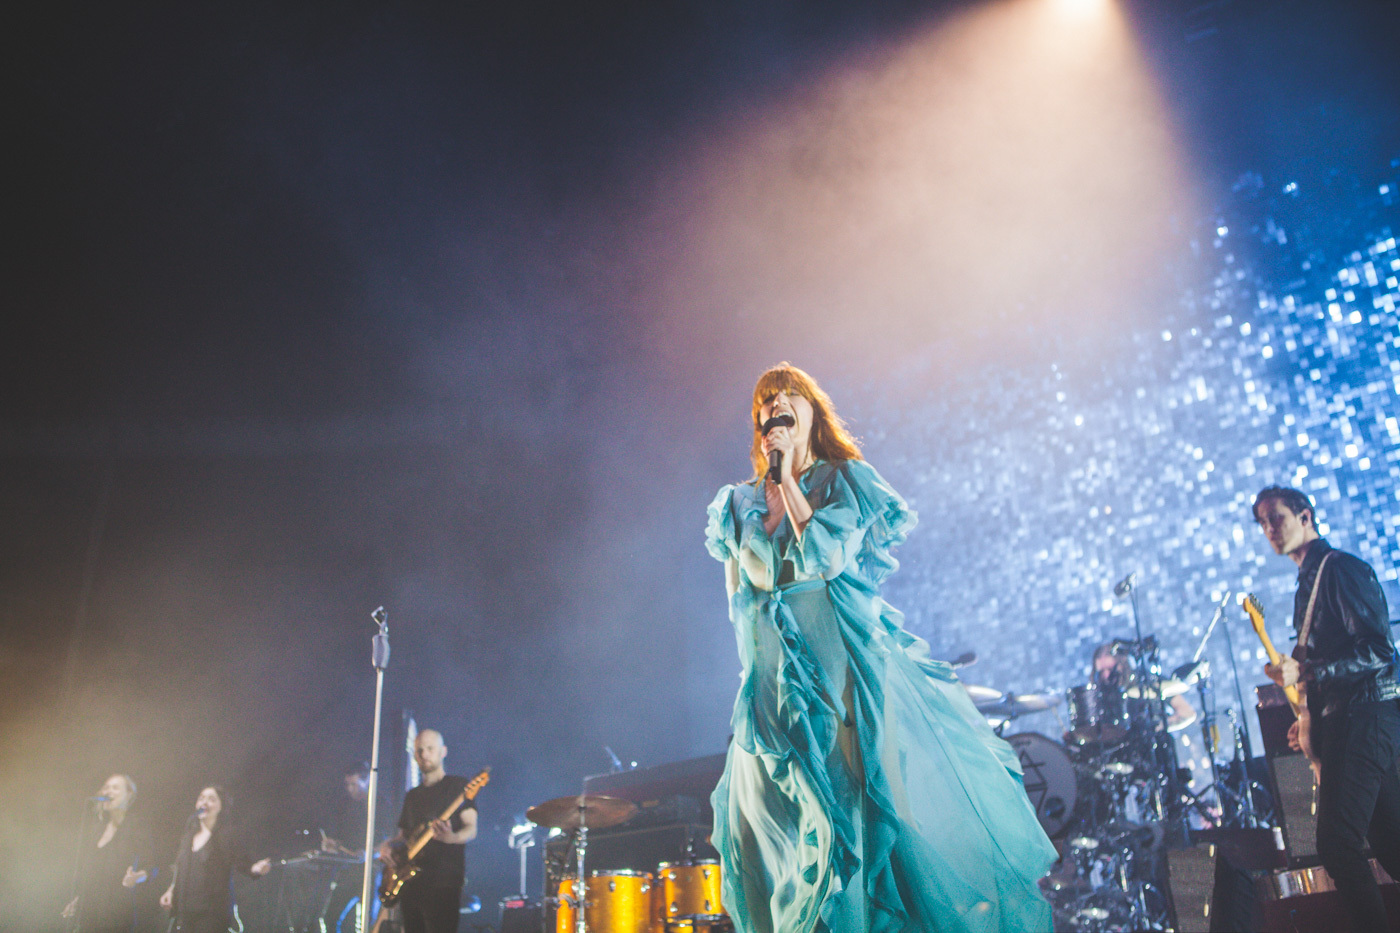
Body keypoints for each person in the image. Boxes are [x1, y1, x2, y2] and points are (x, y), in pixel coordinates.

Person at [704, 363, 1055, 933]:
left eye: (789, 398)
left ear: (813, 413)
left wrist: (789, 480)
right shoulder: (737, 503)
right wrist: (755, 685)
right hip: (772, 686)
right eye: (767, 404)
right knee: (766, 831)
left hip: (835, 672)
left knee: (845, 812)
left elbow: (825, 558)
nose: (777, 409)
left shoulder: (843, 482)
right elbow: (744, 596)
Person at [1256, 484, 1400, 932]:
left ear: (1305, 516)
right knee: (1393, 847)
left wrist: (1308, 673)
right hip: (1350, 721)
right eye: (1262, 523)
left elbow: (1379, 651)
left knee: (1338, 845)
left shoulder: (1340, 569)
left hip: (1366, 718)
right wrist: (1309, 718)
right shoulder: (1309, 582)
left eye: (1276, 518)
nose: (1269, 529)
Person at [377, 729, 478, 933]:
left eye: (430, 748)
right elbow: (404, 836)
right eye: (419, 750)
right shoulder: (412, 796)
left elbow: (471, 828)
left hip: (443, 883)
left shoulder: (458, 786)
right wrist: (387, 846)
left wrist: (452, 837)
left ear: (443, 751)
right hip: (410, 883)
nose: (424, 754)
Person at [158, 786, 272, 933]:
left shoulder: (226, 835)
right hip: (186, 912)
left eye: (211, 799)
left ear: (221, 807)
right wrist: (171, 891)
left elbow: (242, 861)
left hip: (212, 914)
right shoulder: (188, 836)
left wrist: (255, 868)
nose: (204, 802)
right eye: (201, 798)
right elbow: (181, 870)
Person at [62, 773, 151, 933]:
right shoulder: (97, 828)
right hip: (89, 916)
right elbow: (90, 872)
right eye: (106, 787)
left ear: (129, 794)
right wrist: (77, 900)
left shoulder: (137, 825)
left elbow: (152, 866)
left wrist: (137, 876)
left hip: (116, 918)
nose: (108, 791)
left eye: (115, 788)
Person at [1090, 641, 1197, 732]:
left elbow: (1186, 713)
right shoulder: (1099, 695)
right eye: (1101, 672)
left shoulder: (1146, 679)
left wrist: (1158, 726)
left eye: (1110, 669)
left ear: (1122, 663)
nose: (1106, 675)